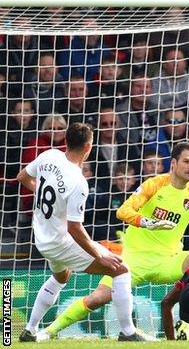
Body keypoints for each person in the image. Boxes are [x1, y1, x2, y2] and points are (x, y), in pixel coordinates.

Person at [39, 142, 189, 340]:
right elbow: (122, 211)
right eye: (186, 161)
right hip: (134, 258)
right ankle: (48, 332)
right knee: (98, 298)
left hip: (170, 260)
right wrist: (147, 221)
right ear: (173, 163)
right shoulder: (154, 185)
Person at [16, 123, 152, 342]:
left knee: (62, 276)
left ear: (66, 141)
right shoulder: (78, 182)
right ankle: (128, 332)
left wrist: (45, 192)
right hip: (60, 241)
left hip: (41, 237)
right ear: (89, 147)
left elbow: (22, 177)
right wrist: (101, 255)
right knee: (121, 269)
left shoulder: (48, 155)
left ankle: (30, 331)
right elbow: (74, 228)